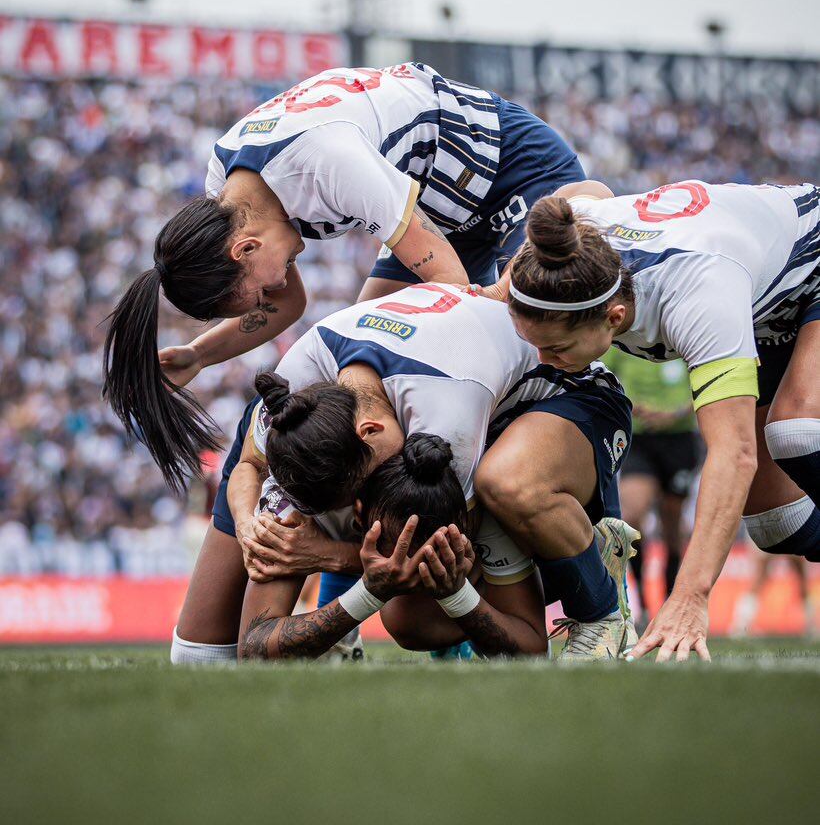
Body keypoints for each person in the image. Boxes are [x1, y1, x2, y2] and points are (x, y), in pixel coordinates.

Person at [103, 63, 583, 490]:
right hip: (440, 206)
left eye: (258, 289)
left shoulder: (327, 161)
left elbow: (450, 292)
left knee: (515, 327)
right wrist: (198, 355)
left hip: (514, 169)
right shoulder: (228, 200)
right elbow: (288, 306)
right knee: (362, 343)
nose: (272, 289)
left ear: (245, 248)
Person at [171, 282, 637, 664]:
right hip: (476, 397)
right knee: (410, 620)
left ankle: (594, 586)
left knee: (500, 488)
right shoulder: (298, 391)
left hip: (571, 393)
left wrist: (331, 555)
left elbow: (448, 553)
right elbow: (250, 463)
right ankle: (456, 630)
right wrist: (252, 525)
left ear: (370, 430)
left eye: (350, 504)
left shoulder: (446, 421)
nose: (355, 516)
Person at [494, 179, 820, 662]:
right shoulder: (581, 244)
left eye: (557, 347)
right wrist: (503, 287)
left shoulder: (696, 298)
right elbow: (584, 191)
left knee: (793, 430)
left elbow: (734, 453)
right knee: (776, 524)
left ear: (614, 316)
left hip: (804, 265)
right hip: (767, 301)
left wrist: (690, 596)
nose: (543, 358)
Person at [237, 433, 548, 661]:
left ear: (464, 524)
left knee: (408, 620)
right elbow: (253, 649)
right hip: (268, 448)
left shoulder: (484, 506)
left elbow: (534, 649)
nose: (412, 569)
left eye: (436, 549)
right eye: (398, 548)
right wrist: (369, 592)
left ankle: (584, 565)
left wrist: (456, 594)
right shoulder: (299, 507)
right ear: (358, 515)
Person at [603, 351, 700, 626]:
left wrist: (677, 412)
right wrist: (627, 404)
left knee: (672, 525)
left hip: (679, 439)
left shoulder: (682, 337)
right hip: (640, 438)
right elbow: (598, 373)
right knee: (631, 517)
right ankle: (643, 604)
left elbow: (711, 379)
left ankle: (671, 602)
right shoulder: (624, 339)